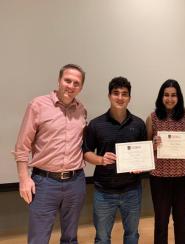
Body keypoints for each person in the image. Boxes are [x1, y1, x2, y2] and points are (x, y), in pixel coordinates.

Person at [13, 64, 87, 244]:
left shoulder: (81, 110)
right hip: (45, 183)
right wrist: (24, 179)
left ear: (81, 87)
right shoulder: (38, 105)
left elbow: (83, 146)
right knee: (38, 239)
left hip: (75, 182)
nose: (71, 86)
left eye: (76, 83)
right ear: (59, 80)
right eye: (67, 80)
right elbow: (22, 147)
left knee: (70, 238)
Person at [82, 77, 146, 244]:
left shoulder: (138, 124)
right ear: (109, 96)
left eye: (124, 94)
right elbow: (86, 152)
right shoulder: (96, 124)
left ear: (129, 98)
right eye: (116, 93)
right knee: (102, 238)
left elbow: (144, 154)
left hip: (132, 190)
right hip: (104, 192)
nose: (120, 97)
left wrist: (141, 165)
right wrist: (101, 160)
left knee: (132, 235)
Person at [146, 79, 185, 244]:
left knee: (181, 221)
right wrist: (153, 145)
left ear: (179, 97)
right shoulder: (152, 118)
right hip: (159, 176)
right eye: (166, 95)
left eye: (173, 95)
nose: (169, 98)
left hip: (184, 176)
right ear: (161, 97)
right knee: (161, 221)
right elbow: (146, 147)